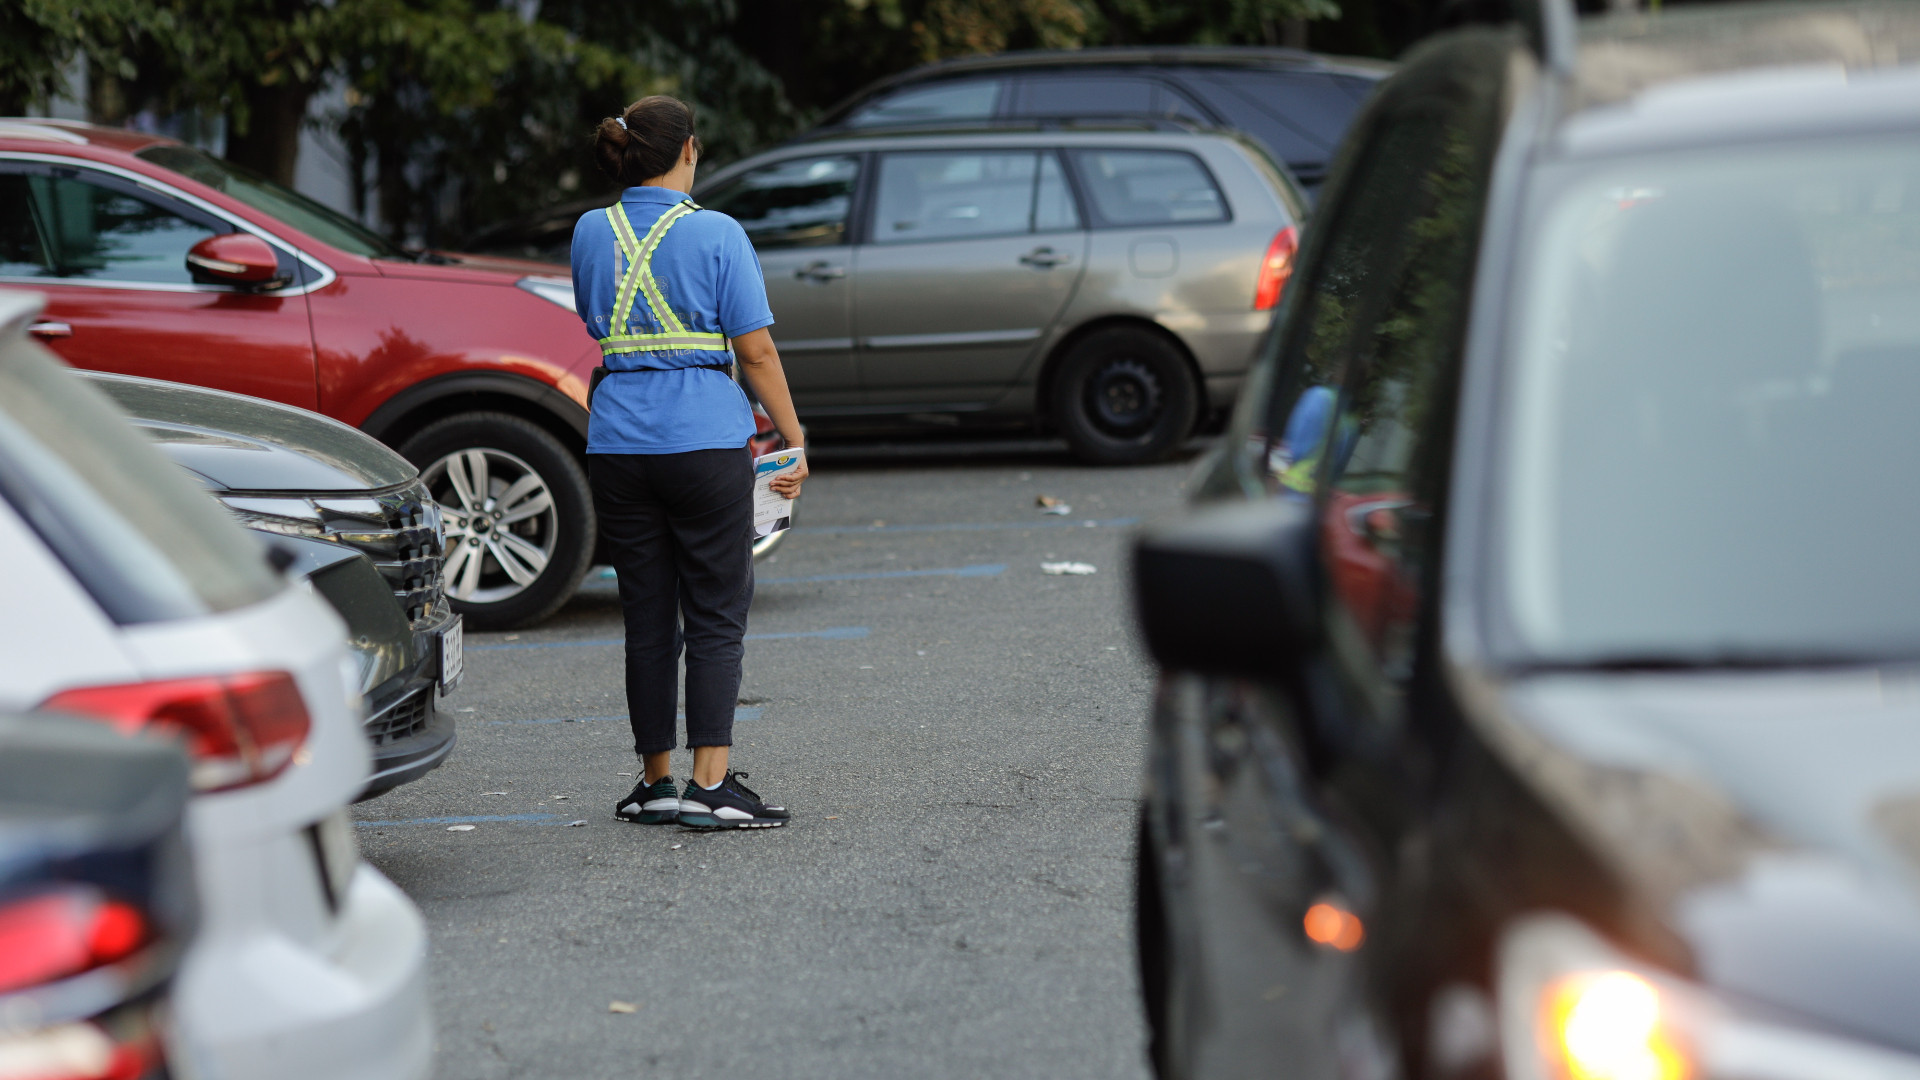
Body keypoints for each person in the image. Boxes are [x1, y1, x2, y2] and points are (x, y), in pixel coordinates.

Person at [573, 95, 807, 830]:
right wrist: (793, 437)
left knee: (646, 616)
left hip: (617, 444)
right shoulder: (717, 231)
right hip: (704, 444)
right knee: (714, 612)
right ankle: (710, 786)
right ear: (688, 150)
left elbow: (590, 320)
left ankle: (656, 784)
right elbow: (756, 351)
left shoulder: (589, 230)